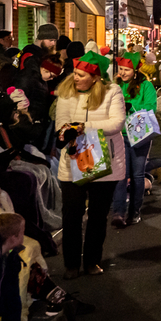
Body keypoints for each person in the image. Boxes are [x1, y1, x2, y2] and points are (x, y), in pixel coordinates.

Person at [53, 51, 124, 279]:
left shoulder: (112, 91)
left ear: (95, 77)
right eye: (74, 73)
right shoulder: (66, 92)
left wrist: (86, 125)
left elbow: (116, 123)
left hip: (104, 159)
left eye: (81, 74)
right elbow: (60, 123)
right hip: (73, 160)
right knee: (71, 214)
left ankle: (92, 260)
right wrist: (65, 131)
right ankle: (71, 264)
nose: (75, 78)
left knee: (97, 215)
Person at [111, 52, 157, 228]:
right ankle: (119, 212)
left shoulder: (146, 86)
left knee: (137, 176)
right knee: (120, 175)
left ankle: (135, 212)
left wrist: (133, 107)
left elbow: (151, 107)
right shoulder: (116, 85)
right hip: (120, 134)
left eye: (126, 70)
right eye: (121, 69)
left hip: (140, 135)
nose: (122, 73)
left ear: (135, 70)